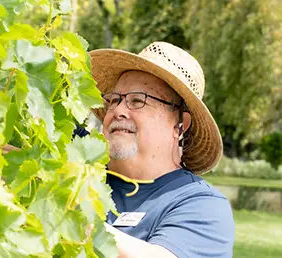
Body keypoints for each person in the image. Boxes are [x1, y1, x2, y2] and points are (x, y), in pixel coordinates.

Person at [89, 42, 235, 258]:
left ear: (180, 126)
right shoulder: (74, 168)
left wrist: (70, 218)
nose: (118, 110)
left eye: (137, 100)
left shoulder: (203, 207)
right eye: (114, 100)